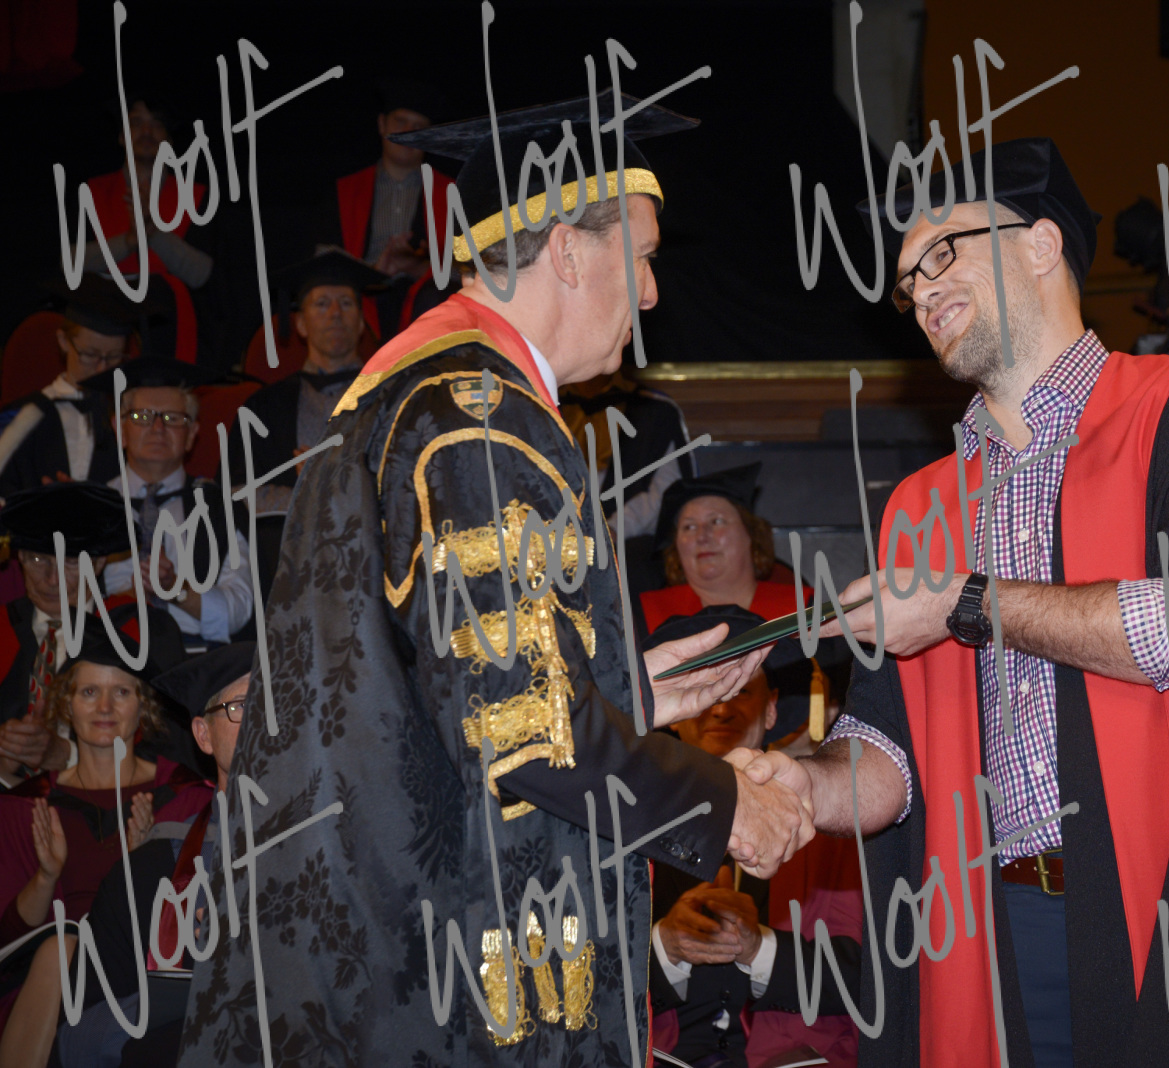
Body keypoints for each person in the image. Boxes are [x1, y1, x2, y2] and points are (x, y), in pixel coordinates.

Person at [177, 92, 813, 1067]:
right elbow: (523, 731)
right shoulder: (477, 419)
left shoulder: (421, 396)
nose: (651, 293)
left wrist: (625, 691)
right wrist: (725, 803)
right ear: (568, 251)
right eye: (642, 256)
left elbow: (432, 689)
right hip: (432, 966)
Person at [740, 138, 1169, 1068]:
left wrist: (971, 603)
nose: (920, 291)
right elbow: (891, 751)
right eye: (907, 281)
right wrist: (812, 787)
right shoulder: (921, 507)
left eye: (942, 253)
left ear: (1040, 243)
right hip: (994, 928)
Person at [646, 607, 860, 1068]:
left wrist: (759, 948)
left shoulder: (828, 828)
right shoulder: (626, 828)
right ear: (672, 715)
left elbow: (875, 979)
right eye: (705, 691)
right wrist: (667, 945)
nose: (722, 707)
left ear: (771, 708)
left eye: (740, 690)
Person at [0, 609, 200, 1067]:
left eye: (121, 693)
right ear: (66, 705)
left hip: (140, 973)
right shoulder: (27, 807)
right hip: (39, 989)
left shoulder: (184, 798)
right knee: (62, 948)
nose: (105, 708)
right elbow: (8, 937)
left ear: (143, 707)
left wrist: (140, 870)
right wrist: (46, 877)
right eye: (89, 692)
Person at [55, 642, 254, 1068]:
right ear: (203, 734)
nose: (264, 721)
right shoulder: (151, 875)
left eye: (278, 704)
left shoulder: (343, 852)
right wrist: (199, 985)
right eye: (241, 707)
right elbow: (76, 1043)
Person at [84, 357, 254, 647]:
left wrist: (175, 589)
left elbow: (238, 612)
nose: (158, 428)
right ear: (119, 429)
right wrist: (125, 598)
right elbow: (62, 602)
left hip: (196, 659)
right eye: (142, 417)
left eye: (173, 418)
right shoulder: (90, 507)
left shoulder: (220, 507)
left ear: (192, 435)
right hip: (107, 655)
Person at [226, 249, 388, 512]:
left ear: (361, 323)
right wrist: (309, 498)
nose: (335, 313)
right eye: (322, 303)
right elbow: (235, 493)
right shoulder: (265, 408)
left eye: (346, 303)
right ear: (300, 324)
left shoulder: (391, 398)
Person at [0, 483, 129, 787]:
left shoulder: (133, 632)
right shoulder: (3, 626)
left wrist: (69, 755)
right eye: (38, 559)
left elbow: (166, 753)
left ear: (99, 563)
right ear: (19, 557)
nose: (51, 579)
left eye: (70, 562)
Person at [83, 96, 214, 363]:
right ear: (122, 137)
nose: (146, 131)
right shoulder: (93, 192)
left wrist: (153, 232)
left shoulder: (197, 196)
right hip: (103, 320)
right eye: (136, 123)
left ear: (169, 141)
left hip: (169, 327)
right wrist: (129, 242)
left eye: (156, 124)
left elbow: (202, 274)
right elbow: (70, 263)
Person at [333, 79, 456, 338]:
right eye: (401, 122)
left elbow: (473, 272)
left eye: (419, 127)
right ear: (382, 125)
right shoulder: (344, 191)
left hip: (427, 302)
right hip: (361, 296)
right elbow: (326, 258)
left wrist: (419, 267)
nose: (408, 132)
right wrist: (371, 272)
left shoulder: (454, 194)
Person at [0, 275, 135, 498]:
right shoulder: (19, 417)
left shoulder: (131, 418)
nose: (102, 368)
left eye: (113, 357)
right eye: (89, 354)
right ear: (63, 341)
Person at [639, 465, 810, 632]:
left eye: (716, 521)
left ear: (751, 533)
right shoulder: (645, 615)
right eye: (689, 527)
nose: (701, 536)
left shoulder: (802, 609)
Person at [559, 366, 695, 548]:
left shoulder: (653, 410)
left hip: (629, 543)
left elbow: (667, 489)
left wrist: (615, 528)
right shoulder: (539, 408)